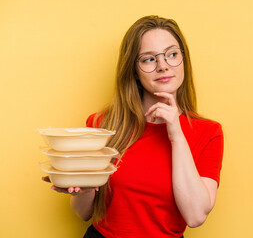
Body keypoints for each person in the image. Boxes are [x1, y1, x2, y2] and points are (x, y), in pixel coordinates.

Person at [42, 15, 224, 238]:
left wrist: (176, 134)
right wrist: (84, 189)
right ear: (134, 71)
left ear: (184, 60)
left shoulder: (209, 133)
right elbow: (83, 213)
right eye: (149, 59)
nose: (163, 66)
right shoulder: (102, 125)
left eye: (172, 54)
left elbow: (195, 216)